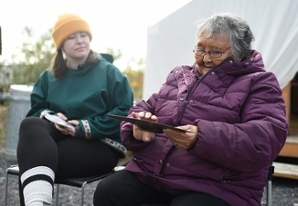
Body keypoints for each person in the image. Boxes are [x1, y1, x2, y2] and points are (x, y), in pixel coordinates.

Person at [93, 12, 288, 206]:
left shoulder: (259, 83)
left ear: (239, 53)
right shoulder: (180, 77)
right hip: (155, 176)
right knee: (109, 192)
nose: (205, 59)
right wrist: (138, 125)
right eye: (200, 49)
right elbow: (147, 106)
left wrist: (201, 136)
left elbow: (264, 140)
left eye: (216, 51)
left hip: (217, 185)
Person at [17, 13, 134, 206]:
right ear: (61, 45)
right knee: (30, 125)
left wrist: (82, 127)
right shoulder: (48, 77)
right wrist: (52, 117)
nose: (80, 41)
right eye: (72, 37)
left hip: (100, 145)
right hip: (58, 138)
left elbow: (124, 113)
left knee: (33, 159)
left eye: (84, 35)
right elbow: (36, 110)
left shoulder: (109, 72)